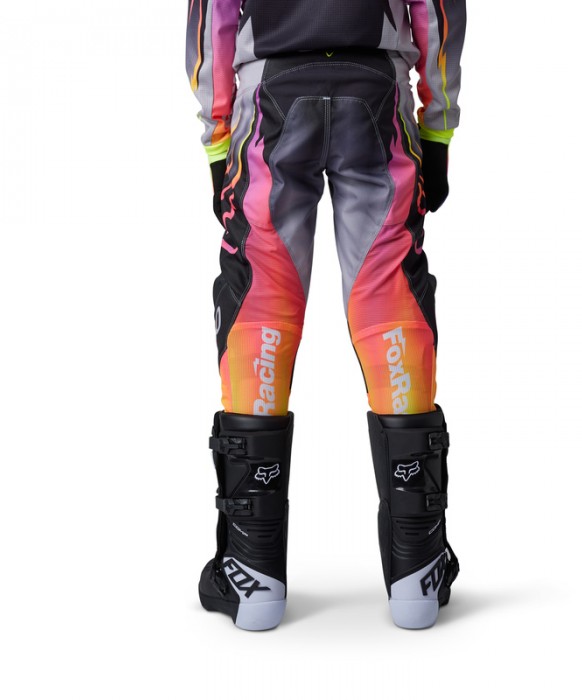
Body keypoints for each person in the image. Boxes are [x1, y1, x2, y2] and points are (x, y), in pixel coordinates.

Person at [185, 0, 466, 631]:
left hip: (270, 90)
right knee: (388, 289)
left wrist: (218, 139)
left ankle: (252, 574)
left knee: (261, 293)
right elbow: (437, 8)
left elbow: (213, 15)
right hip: (377, 87)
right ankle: (417, 570)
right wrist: (438, 128)